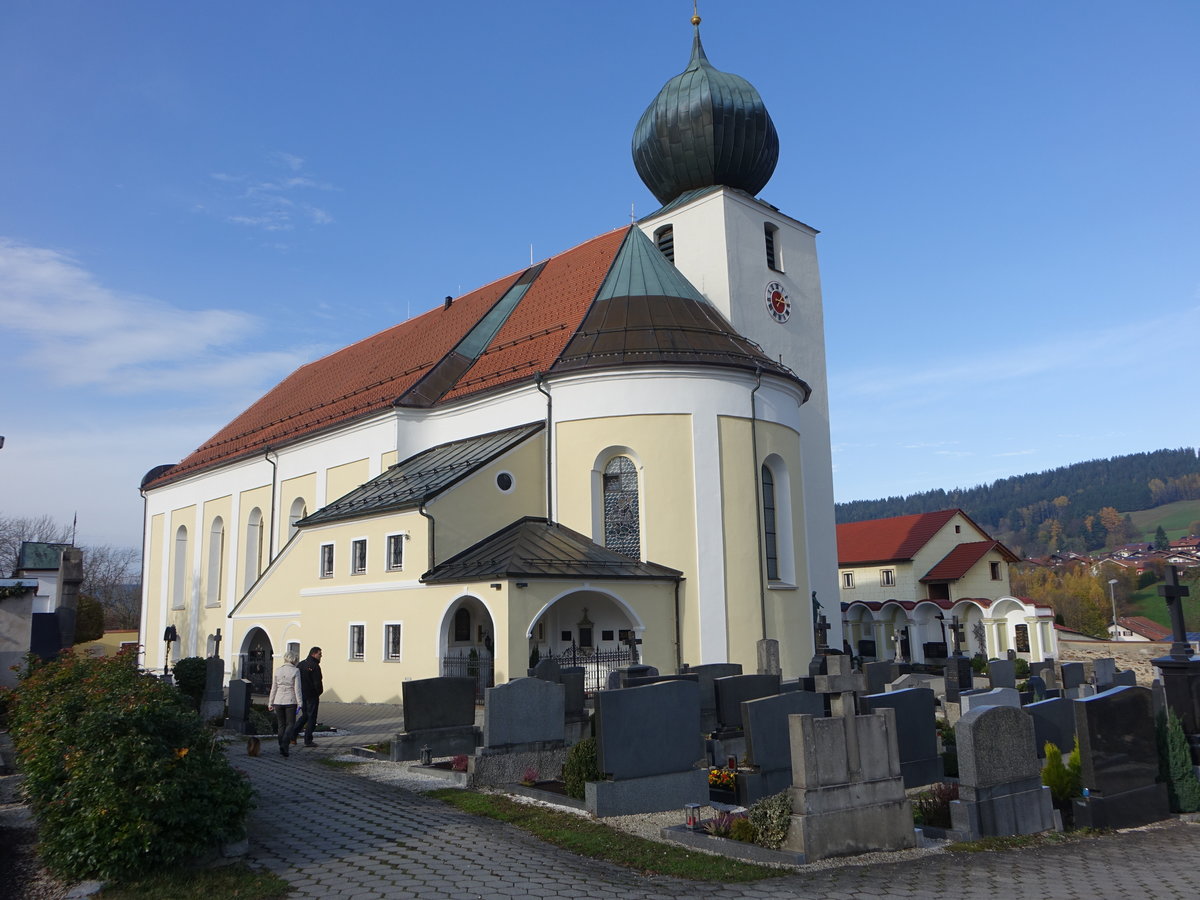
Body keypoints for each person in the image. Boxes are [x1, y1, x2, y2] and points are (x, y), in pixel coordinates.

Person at [267, 650, 302, 758]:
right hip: (290, 701)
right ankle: (285, 744)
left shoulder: (278, 670)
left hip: (278, 700)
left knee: (281, 725)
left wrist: (270, 702)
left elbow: (274, 688)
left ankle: (281, 743)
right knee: (290, 724)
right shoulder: (295, 671)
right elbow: (297, 689)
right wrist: (300, 703)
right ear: (294, 660)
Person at [292, 646, 323, 747]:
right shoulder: (314, 666)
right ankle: (308, 740)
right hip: (312, 695)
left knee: (305, 715)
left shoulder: (301, 664)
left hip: (302, 695)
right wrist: (318, 692)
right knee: (311, 718)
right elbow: (317, 683)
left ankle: (292, 735)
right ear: (313, 654)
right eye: (319, 654)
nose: (321, 656)